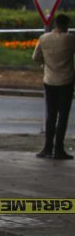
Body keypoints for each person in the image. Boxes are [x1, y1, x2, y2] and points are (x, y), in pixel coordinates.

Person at [32, 13, 75, 159]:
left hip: (49, 80)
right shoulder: (69, 39)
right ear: (66, 25)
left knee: (51, 115)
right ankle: (59, 149)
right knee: (63, 116)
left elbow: (35, 57)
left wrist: (47, 63)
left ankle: (47, 148)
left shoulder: (44, 38)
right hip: (66, 81)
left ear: (55, 24)